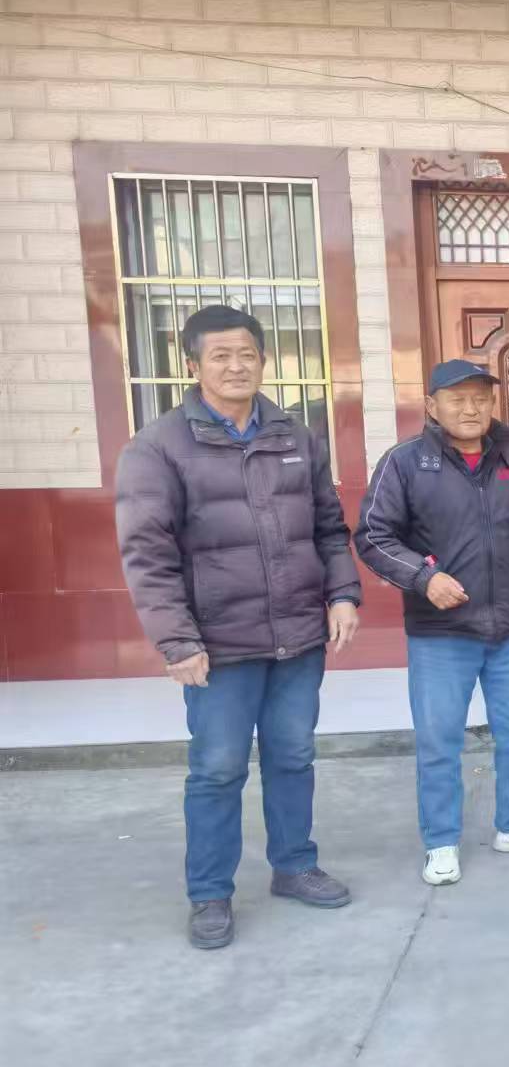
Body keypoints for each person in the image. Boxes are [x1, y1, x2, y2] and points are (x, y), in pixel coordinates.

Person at [115, 304, 361, 950]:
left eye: (246, 353)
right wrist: (177, 640)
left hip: (298, 636)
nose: (235, 366)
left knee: (293, 754)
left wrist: (342, 594)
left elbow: (329, 526)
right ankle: (209, 893)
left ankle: (295, 865)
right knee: (218, 768)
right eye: (220, 355)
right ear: (192, 365)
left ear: (263, 359)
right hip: (218, 645)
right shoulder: (157, 447)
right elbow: (148, 554)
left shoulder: (295, 434)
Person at [355, 359, 509, 886]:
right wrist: (424, 577)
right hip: (441, 633)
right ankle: (441, 842)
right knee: (440, 742)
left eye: (480, 399)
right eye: (457, 399)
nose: (470, 409)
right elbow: (374, 536)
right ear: (432, 405)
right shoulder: (405, 462)